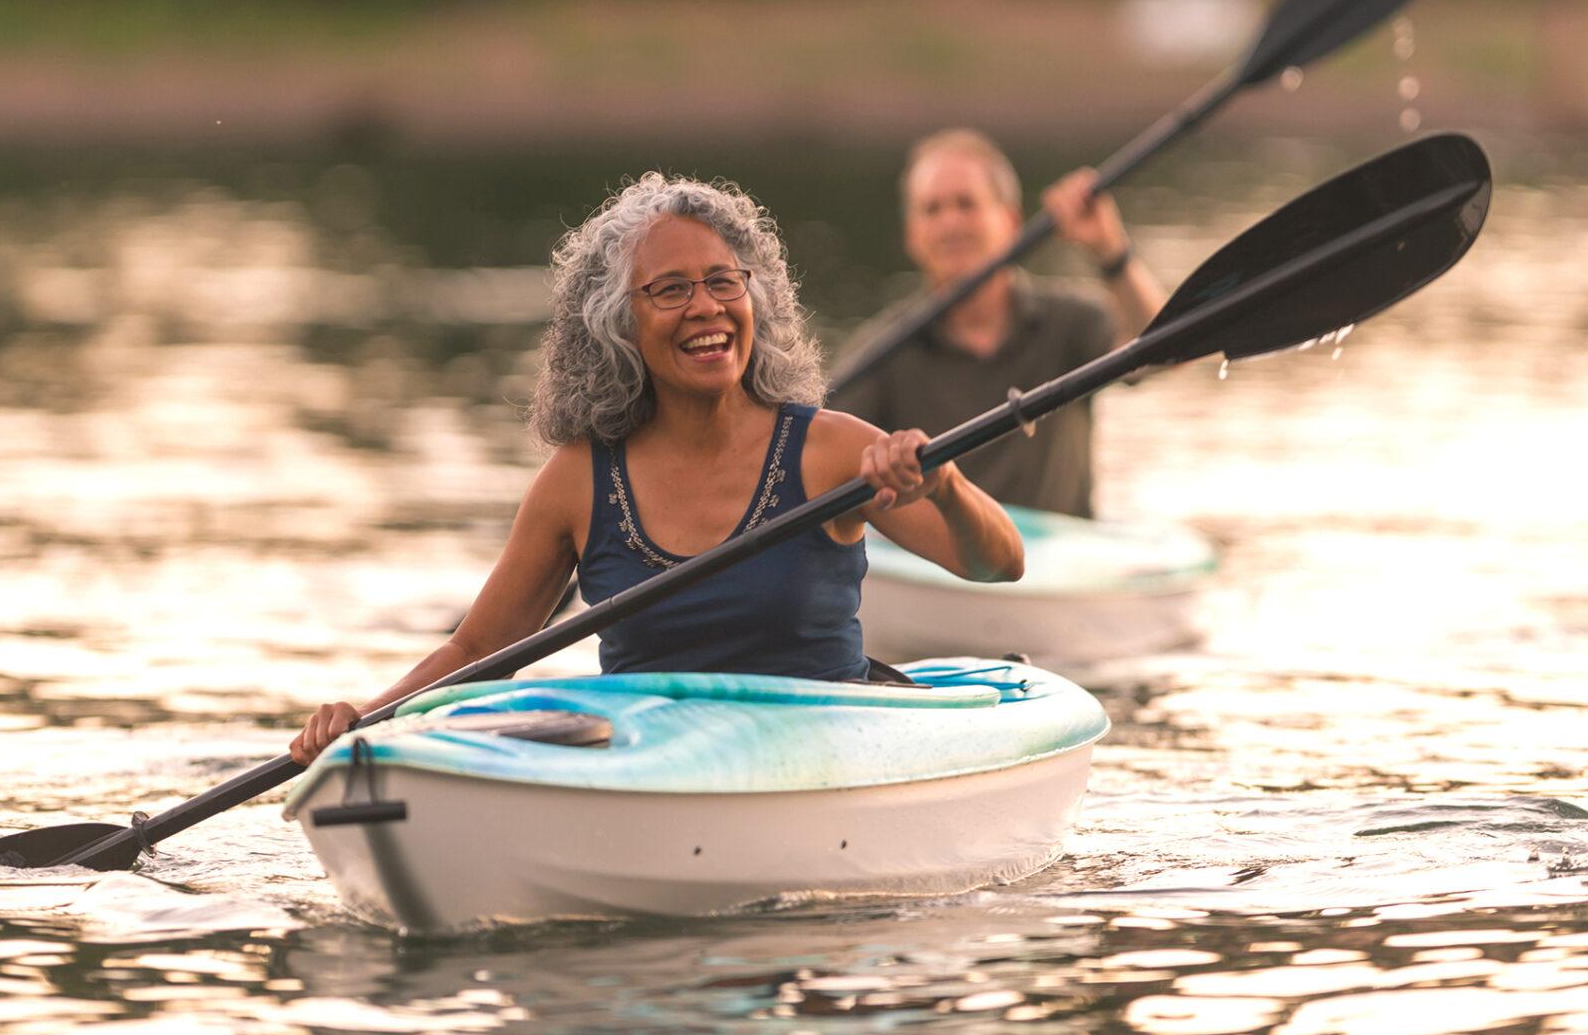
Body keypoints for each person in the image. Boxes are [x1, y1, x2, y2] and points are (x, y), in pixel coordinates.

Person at [290, 172, 1024, 764]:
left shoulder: (829, 451)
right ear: (618, 322)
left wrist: (947, 486)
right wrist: (369, 715)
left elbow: (999, 564)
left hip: (825, 754)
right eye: (670, 289)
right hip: (657, 766)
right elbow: (480, 647)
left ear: (753, 296)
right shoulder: (578, 481)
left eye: (722, 281)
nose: (705, 307)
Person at [830, 129, 1164, 519]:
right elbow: (819, 453)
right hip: (940, 568)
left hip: (1058, 564)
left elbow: (1165, 353)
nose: (951, 223)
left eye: (967, 204)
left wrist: (1111, 252)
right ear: (912, 235)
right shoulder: (881, 351)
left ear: (1010, 221)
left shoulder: (1068, 321)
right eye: (932, 210)